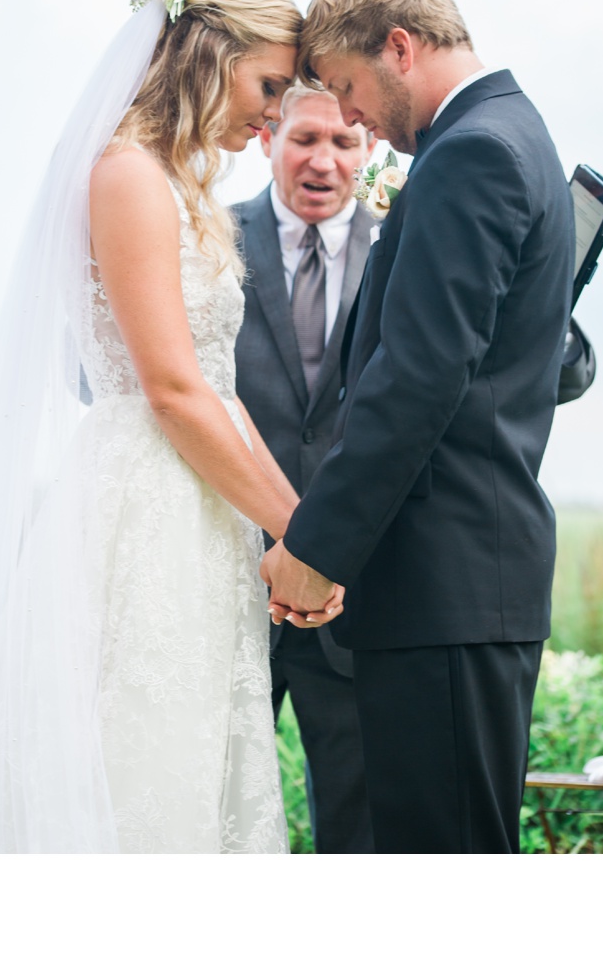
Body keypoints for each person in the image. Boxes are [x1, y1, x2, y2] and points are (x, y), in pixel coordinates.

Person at [0, 0, 305, 853]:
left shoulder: (184, 186)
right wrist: (301, 534)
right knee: (145, 757)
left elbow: (219, 388)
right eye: (267, 84)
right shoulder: (126, 175)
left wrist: (300, 523)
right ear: (210, 51)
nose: (273, 113)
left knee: (201, 753)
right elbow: (174, 393)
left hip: (202, 507)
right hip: (146, 505)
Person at [265, 0, 574, 853]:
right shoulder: (505, 133)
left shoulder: (470, 152)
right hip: (463, 587)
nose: (348, 116)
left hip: (448, 588)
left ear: (398, 46)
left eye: (348, 88)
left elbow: (418, 379)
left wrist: (316, 549)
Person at [231, 85, 381, 853]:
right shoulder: (208, 239)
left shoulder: (404, 244)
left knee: (353, 830)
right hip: (226, 581)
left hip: (346, 597)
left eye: (343, 142)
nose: (323, 161)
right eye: (303, 139)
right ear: (266, 138)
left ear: (368, 149)